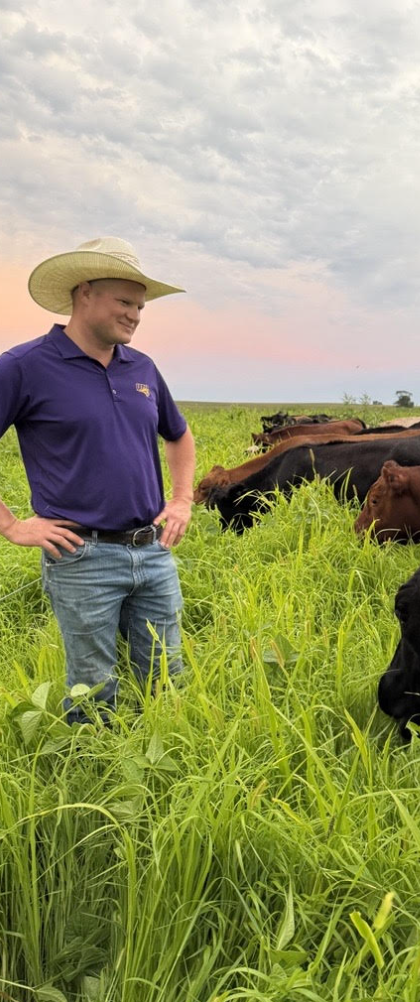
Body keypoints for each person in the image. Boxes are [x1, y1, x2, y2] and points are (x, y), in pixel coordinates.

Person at [0, 237, 196, 723]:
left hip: (153, 551)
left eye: (140, 305)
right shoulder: (23, 367)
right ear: (83, 292)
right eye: (124, 302)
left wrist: (182, 500)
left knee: (166, 676)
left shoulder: (143, 368)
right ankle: (95, 775)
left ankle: (164, 772)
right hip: (81, 556)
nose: (135, 315)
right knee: (93, 689)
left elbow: (179, 435)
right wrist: (10, 526)